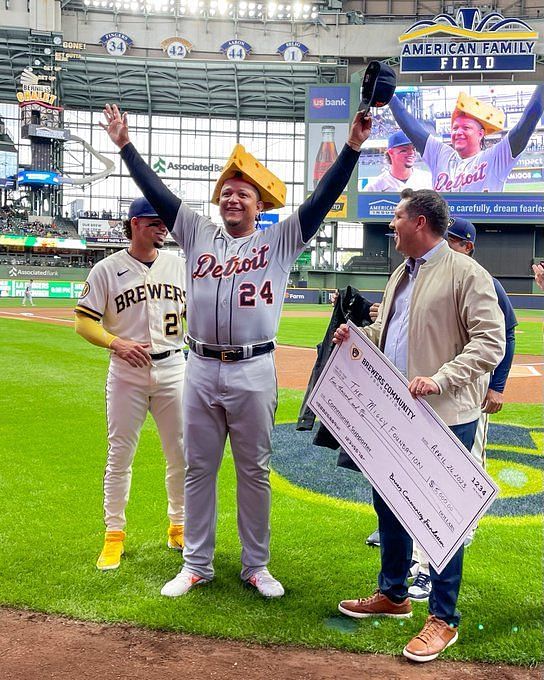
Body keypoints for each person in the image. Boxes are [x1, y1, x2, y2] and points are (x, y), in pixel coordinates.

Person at [101, 102, 371, 598]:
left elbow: (320, 198)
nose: (231, 200)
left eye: (241, 194)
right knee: (198, 469)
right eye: (225, 193)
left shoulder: (281, 240)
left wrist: (352, 148)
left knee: (254, 470)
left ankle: (256, 565)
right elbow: (156, 194)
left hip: (253, 368)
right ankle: (196, 564)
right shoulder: (195, 232)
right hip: (199, 366)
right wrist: (125, 146)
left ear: (258, 204)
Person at [333, 188, 505, 663]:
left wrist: (441, 379)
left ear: (422, 223)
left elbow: (490, 343)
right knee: (388, 503)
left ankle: (444, 619)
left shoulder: (467, 273)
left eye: (397, 218)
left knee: (440, 515)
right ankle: (393, 594)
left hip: (444, 414)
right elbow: (393, 334)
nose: (392, 226)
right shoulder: (400, 275)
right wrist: (359, 334)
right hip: (395, 413)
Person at [74, 197, 187, 571]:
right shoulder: (106, 270)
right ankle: (114, 536)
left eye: (165, 222)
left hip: (174, 368)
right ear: (136, 223)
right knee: (120, 456)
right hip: (127, 373)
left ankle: (179, 526)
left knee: (180, 455)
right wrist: (115, 342)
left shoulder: (179, 267)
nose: (163, 228)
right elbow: (84, 322)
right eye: (156, 222)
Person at [408, 216, 517, 601]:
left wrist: (498, 386)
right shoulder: (424, 274)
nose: (446, 243)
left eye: (454, 239)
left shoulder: (479, 278)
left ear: (467, 245)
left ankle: (450, 543)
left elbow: (504, 336)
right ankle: (422, 551)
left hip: (466, 396)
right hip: (426, 395)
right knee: (424, 478)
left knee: (463, 473)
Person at [388, 85, 544, 192]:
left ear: (481, 134)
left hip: (483, 233)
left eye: (466, 128)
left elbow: (527, 121)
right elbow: (412, 128)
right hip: (443, 235)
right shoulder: (441, 154)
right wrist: (391, 97)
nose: (458, 132)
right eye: (455, 128)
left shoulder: (495, 157)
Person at [363, 131, 431, 192]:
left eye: (414, 149)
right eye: (404, 150)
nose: (411, 153)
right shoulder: (374, 187)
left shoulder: (428, 180)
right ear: (391, 152)